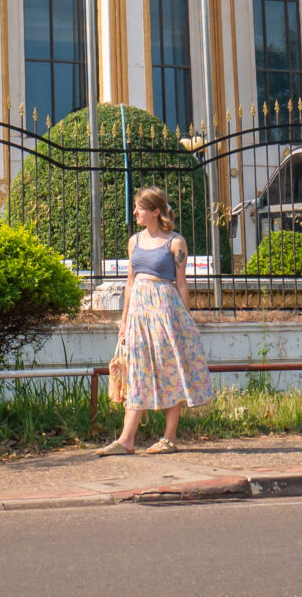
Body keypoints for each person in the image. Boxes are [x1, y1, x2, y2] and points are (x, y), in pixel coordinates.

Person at [97, 185, 212, 454]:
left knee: (169, 368)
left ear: (155, 211)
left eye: (139, 207)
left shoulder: (175, 242)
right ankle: (126, 439)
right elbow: (130, 283)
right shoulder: (134, 242)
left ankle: (169, 437)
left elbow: (181, 284)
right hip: (138, 312)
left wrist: (185, 320)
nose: (134, 211)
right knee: (136, 370)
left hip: (165, 312)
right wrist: (123, 321)